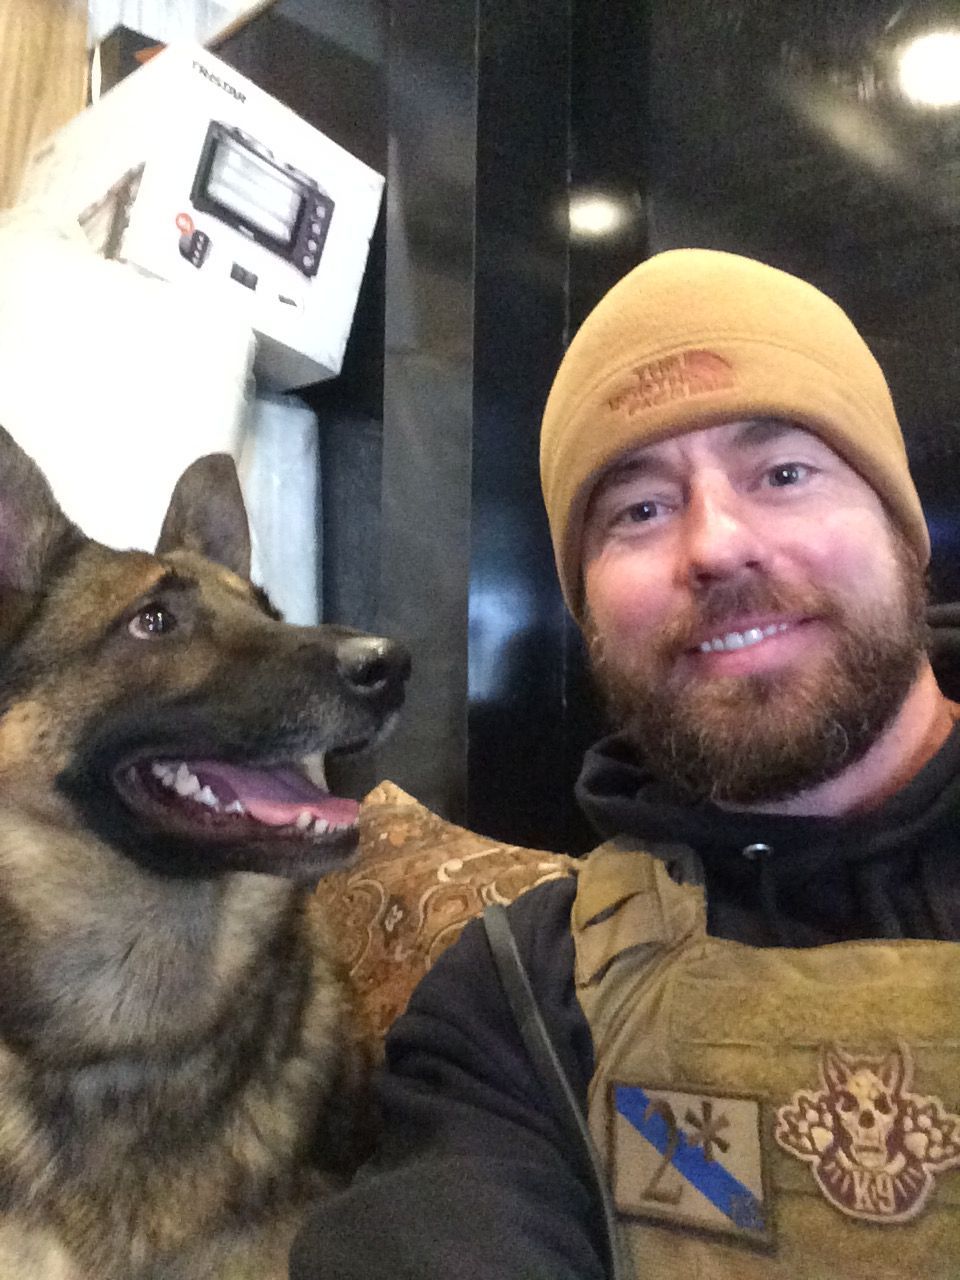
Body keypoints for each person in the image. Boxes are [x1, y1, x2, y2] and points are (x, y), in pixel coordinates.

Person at [290, 250, 960, 1279]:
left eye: (783, 472)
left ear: (901, 527)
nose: (715, 544)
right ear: (588, 607)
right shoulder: (521, 1001)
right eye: (639, 509)